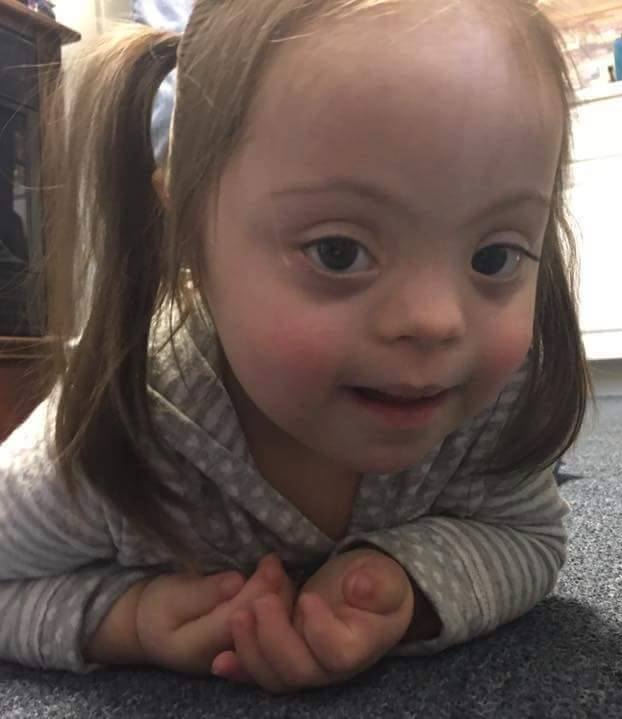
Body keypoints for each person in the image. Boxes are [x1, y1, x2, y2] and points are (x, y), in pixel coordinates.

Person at [0, 0, 591, 695]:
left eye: (494, 257)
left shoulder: (491, 397)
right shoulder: (118, 427)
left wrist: (408, 583)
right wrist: (128, 620)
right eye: (338, 251)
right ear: (188, 232)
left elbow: (528, 536)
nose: (437, 322)